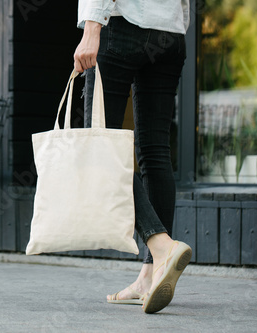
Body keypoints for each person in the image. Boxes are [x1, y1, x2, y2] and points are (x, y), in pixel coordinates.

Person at [73, 0, 192, 314]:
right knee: (155, 152)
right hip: (170, 32)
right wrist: (178, 23)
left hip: (122, 24)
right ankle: (150, 276)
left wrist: (92, 26)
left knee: (101, 146)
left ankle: (162, 245)